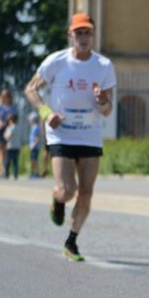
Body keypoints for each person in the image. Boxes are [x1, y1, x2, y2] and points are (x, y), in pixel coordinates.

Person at [25, 13, 117, 262]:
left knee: (86, 193)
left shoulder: (104, 66)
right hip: (61, 133)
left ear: (93, 35)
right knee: (68, 189)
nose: (83, 38)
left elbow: (107, 110)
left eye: (87, 32)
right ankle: (58, 199)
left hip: (90, 135)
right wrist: (46, 112)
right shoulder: (56, 61)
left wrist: (102, 101)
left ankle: (72, 241)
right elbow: (31, 89)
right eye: (79, 33)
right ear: (70, 35)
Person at [0, 88, 18, 178]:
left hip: (8, 130)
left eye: (6, 96)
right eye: (3, 96)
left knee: (6, 150)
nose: (5, 98)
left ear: (9, 97)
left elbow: (16, 118)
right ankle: (2, 171)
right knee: (0, 150)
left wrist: (11, 119)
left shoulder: (13, 106)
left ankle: (5, 169)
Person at [3, 114, 21, 179]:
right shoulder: (19, 127)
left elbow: (8, 136)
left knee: (7, 161)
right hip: (17, 146)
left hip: (10, 146)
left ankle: (6, 174)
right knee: (15, 162)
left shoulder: (11, 128)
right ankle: (15, 174)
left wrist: (5, 135)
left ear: (11, 120)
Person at [28, 112, 42, 178]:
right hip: (33, 146)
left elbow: (38, 137)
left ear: (33, 120)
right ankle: (33, 172)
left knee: (35, 160)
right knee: (33, 160)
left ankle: (36, 173)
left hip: (35, 147)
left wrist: (34, 145)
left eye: (30, 119)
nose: (29, 121)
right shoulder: (33, 127)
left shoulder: (36, 127)